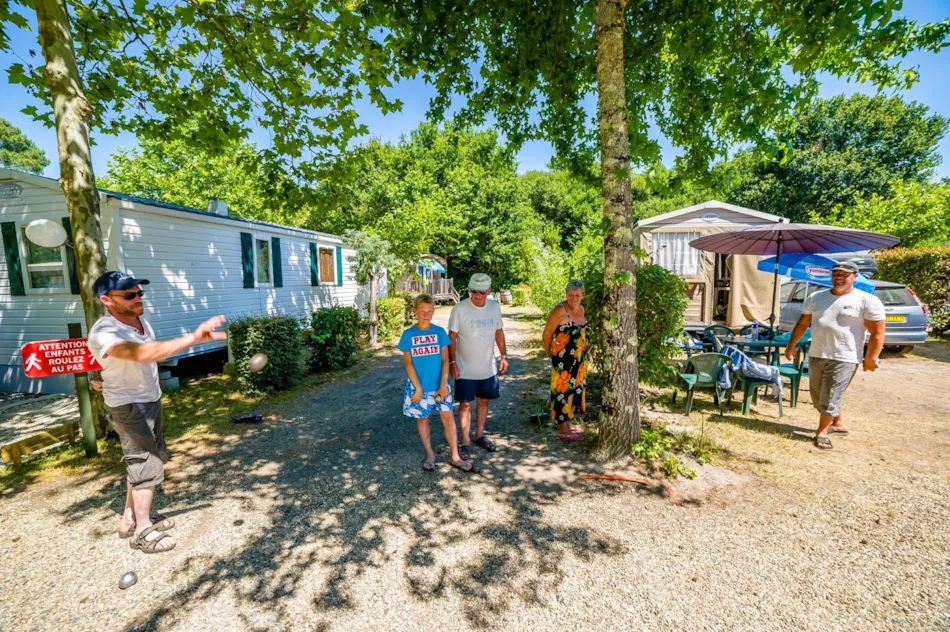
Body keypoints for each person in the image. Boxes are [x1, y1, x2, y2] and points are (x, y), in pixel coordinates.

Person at [86, 271, 226, 553]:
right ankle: (142, 532)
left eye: (139, 293)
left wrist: (106, 376)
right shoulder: (105, 331)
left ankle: (130, 519)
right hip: (128, 405)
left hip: (149, 399)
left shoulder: (138, 320)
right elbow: (142, 354)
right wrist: (195, 338)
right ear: (106, 300)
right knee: (146, 463)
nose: (138, 298)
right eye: (129, 295)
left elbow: (131, 359)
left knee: (149, 459)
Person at [784, 261, 886, 450]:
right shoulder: (816, 297)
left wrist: (871, 357)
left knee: (830, 396)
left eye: (844, 274)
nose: (839, 276)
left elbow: (878, 332)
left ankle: (821, 432)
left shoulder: (866, 300)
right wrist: (791, 346)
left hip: (845, 356)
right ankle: (838, 424)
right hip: (817, 353)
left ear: (855, 276)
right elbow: (802, 323)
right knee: (818, 395)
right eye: (836, 273)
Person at [398, 294, 476, 473]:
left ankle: (455, 456)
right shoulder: (408, 334)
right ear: (415, 312)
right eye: (422, 311)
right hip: (419, 387)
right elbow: (408, 363)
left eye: (429, 311)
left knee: (448, 419)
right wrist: (418, 387)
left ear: (434, 311)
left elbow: (445, 359)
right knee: (423, 419)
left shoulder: (439, 332)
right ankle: (430, 454)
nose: (426, 315)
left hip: (439, 385)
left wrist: (443, 384)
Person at [448, 273, 508, 458]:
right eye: (473, 291)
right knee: (465, 404)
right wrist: (452, 362)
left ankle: (479, 435)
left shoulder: (494, 306)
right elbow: (452, 338)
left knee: (484, 400)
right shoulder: (459, 309)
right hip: (465, 368)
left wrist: (504, 355)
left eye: (481, 292)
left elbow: (499, 332)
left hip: (487, 367)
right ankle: (465, 441)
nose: (476, 295)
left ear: (488, 291)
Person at [541, 280, 589, 440]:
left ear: (583, 295)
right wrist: (551, 355)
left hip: (580, 360)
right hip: (562, 360)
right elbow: (547, 335)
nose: (573, 298)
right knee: (561, 391)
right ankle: (562, 429)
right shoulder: (560, 310)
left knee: (575, 390)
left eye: (577, 295)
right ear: (566, 294)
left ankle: (568, 423)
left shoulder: (581, 309)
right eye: (570, 295)